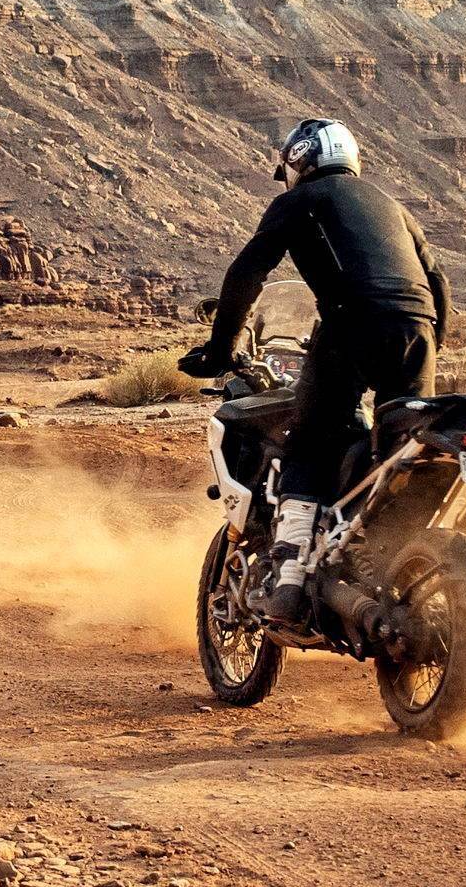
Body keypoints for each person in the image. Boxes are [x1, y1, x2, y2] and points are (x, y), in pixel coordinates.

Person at [179, 118, 447, 619]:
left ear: (299, 160)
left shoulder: (301, 200)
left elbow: (248, 271)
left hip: (351, 324)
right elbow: (437, 280)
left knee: (308, 437)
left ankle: (291, 573)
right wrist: (431, 341)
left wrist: (220, 348)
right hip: (417, 330)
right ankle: (382, 562)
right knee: (397, 449)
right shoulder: (393, 208)